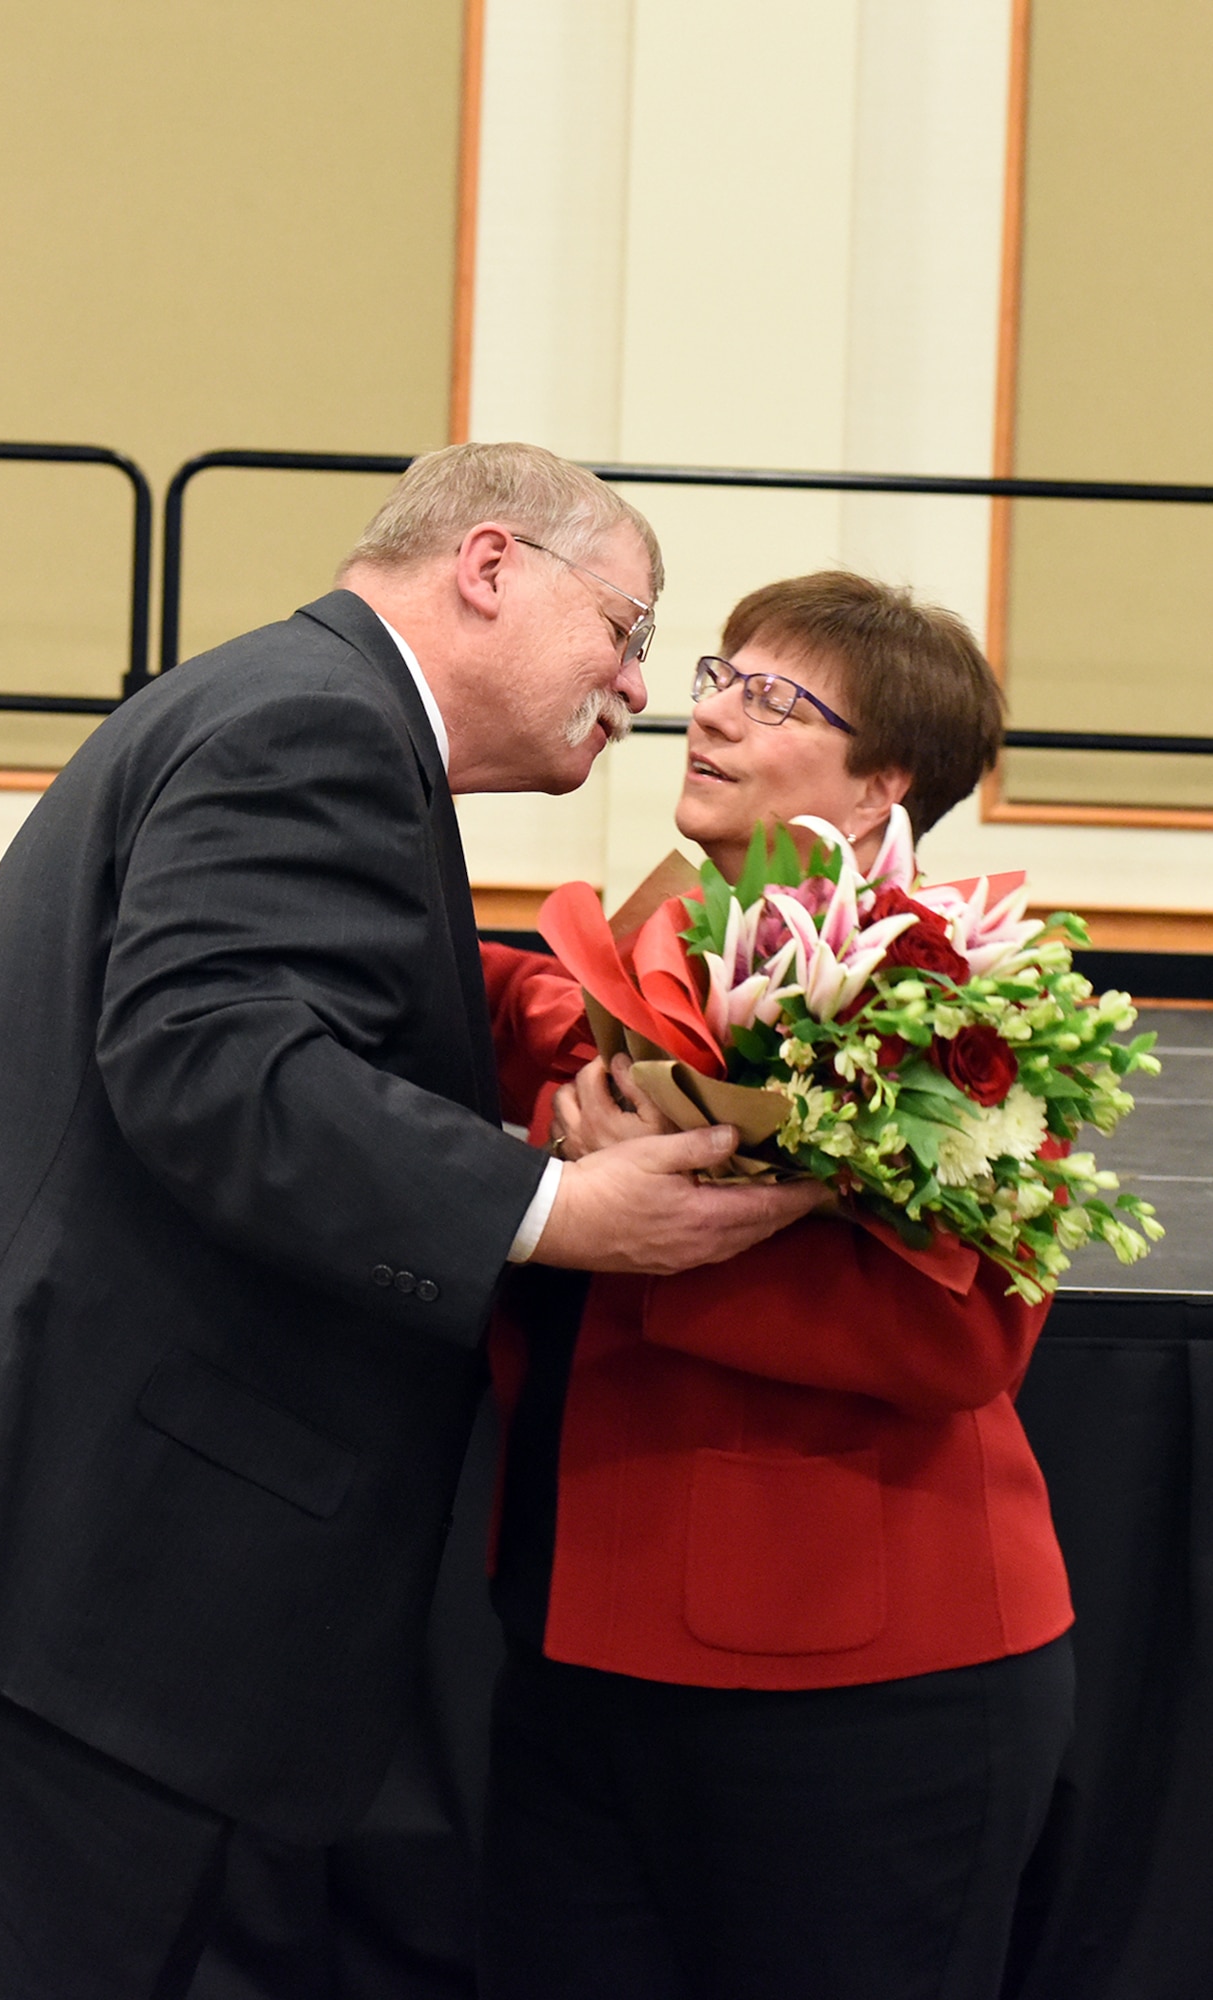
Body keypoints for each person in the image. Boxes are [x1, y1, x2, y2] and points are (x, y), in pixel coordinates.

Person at [0, 442, 820, 2000]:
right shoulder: (316, 724)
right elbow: (211, 1059)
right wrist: (553, 1208)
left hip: (34, 1542)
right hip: (83, 1574)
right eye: (630, 629)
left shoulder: (287, 703)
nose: (639, 687)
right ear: (491, 565)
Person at [479, 571, 1076, 2000]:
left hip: (853, 1692)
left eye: (776, 697)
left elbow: (968, 1339)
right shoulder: (679, 930)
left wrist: (623, 1241)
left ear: (882, 785)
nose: (714, 712)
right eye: (721, 674)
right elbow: (555, 1020)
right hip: (582, 1644)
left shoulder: (954, 1005)